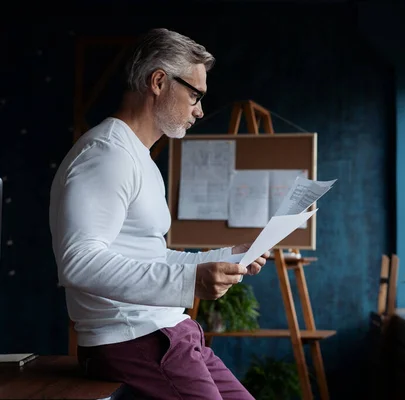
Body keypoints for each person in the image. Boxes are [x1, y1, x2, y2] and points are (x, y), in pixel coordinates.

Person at [49, 28, 267, 400]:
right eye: (195, 95)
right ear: (159, 82)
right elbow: (78, 262)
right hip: (134, 340)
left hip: (170, 332)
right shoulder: (107, 155)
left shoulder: (141, 159)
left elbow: (147, 254)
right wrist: (189, 283)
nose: (199, 109)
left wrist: (227, 257)